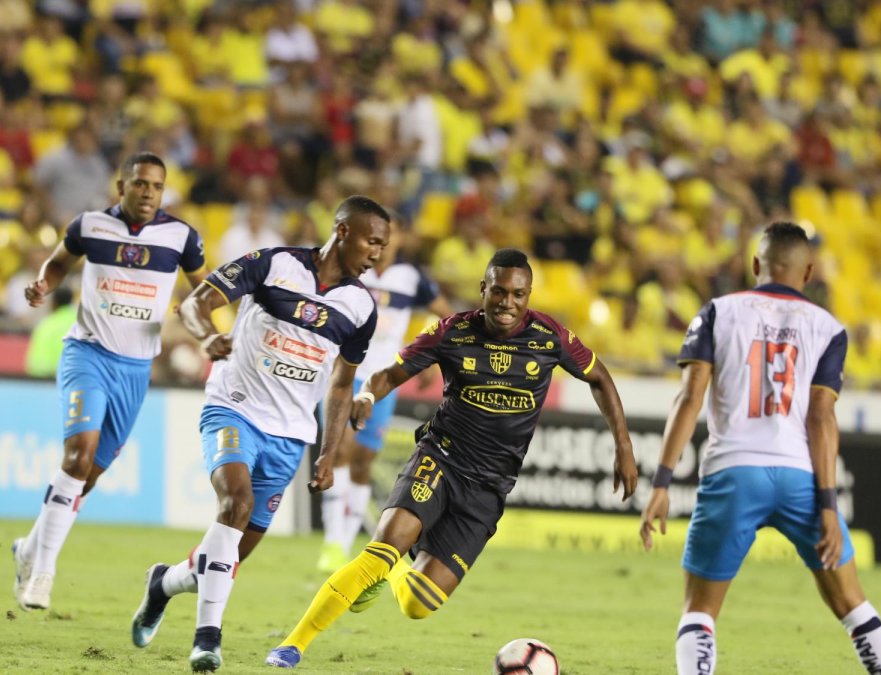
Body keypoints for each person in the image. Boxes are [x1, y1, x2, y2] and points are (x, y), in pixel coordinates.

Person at [265, 248, 639, 669]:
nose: (507, 303)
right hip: (440, 458)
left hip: (489, 486)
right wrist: (367, 396)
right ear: (484, 289)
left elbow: (599, 377)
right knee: (382, 549)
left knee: (417, 604)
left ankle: (393, 571)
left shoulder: (549, 337)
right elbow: (389, 374)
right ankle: (293, 645)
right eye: (499, 292)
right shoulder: (452, 332)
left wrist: (623, 446)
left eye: (518, 294)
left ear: (529, 295)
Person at [129, 196, 391, 672]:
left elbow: (341, 383)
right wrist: (207, 335)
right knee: (236, 502)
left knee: (227, 556)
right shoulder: (274, 264)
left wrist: (328, 452)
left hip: (290, 435)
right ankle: (207, 639)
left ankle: (163, 583)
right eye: (372, 241)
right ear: (343, 231)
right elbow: (197, 302)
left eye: (383, 246)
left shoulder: (360, 307)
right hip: (234, 408)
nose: (377, 254)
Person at [638, 222, 881, 675]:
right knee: (853, 606)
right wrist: (828, 505)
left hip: (734, 472)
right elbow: (821, 418)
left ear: (756, 264)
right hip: (800, 478)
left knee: (699, 612)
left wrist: (662, 482)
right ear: (809, 272)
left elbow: (689, 397)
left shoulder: (718, 311)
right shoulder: (828, 328)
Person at [11, 152, 206, 611]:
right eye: (140, 184)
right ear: (122, 187)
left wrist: (199, 320)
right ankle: (42, 573)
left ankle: (28, 549)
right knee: (77, 456)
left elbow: (203, 292)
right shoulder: (90, 226)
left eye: (156, 186)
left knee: (87, 478)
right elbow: (58, 264)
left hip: (136, 370)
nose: (148, 193)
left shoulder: (181, 237)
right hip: (88, 354)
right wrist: (42, 285)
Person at [317, 211, 453, 572]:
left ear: (401, 238)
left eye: (391, 234)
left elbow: (446, 318)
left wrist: (431, 357)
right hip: (343, 373)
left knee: (363, 460)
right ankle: (333, 543)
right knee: (339, 450)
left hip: (383, 381)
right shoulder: (351, 267)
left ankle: (346, 542)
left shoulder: (411, 277)